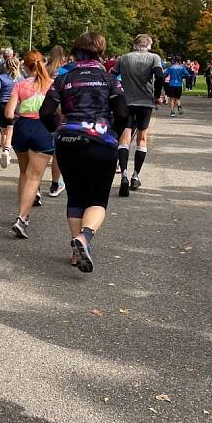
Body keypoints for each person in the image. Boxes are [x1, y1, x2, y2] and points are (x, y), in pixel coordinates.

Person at [40, 32, 128, 273]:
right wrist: (112, 133)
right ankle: (84, 238)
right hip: (101, 142)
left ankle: (76, 252)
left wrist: (57, 130)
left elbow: (45, 112)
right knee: (98, 199)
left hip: (69, 141)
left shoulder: (63, 79)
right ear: (100, 52)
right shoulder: (110, 80)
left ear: (76, 50)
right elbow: (122, 114)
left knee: (76, 197)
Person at [6, 51, 53, 239]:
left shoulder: (20, 85)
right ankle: (22, 217)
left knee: (24, 173)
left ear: (25, 66)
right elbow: (60, 110)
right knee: (35, 176)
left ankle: (21, 212)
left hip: (23, 128)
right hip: (43, 129)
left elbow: (9, 113)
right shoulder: (51, 85)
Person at [111, 34, 164, 196]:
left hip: (126, 101)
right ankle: (136, 176)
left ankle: (124, 174)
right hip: (145, 103)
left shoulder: (124, 58)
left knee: (124, 139)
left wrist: (116, 91)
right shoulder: (154, 58)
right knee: (142, 139)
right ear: (149, 45)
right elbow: (160, 75)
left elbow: (111, 74)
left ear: (134, 44)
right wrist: (157, 95)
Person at [45, 45, 67, 197]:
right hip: (60, 112)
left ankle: (35, 184)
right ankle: (55, 184)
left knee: (40, 151)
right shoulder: (66, 73)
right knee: (57, 153)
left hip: (43, 109)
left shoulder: (44, 70)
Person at [0, 57, 23, 168]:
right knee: (11, 129)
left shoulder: (0, 78)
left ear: (5, 66)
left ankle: (6, 152)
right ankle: (7, 150)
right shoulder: (21, 78)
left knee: (3, 131)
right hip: (15, 105)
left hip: (2, 105)